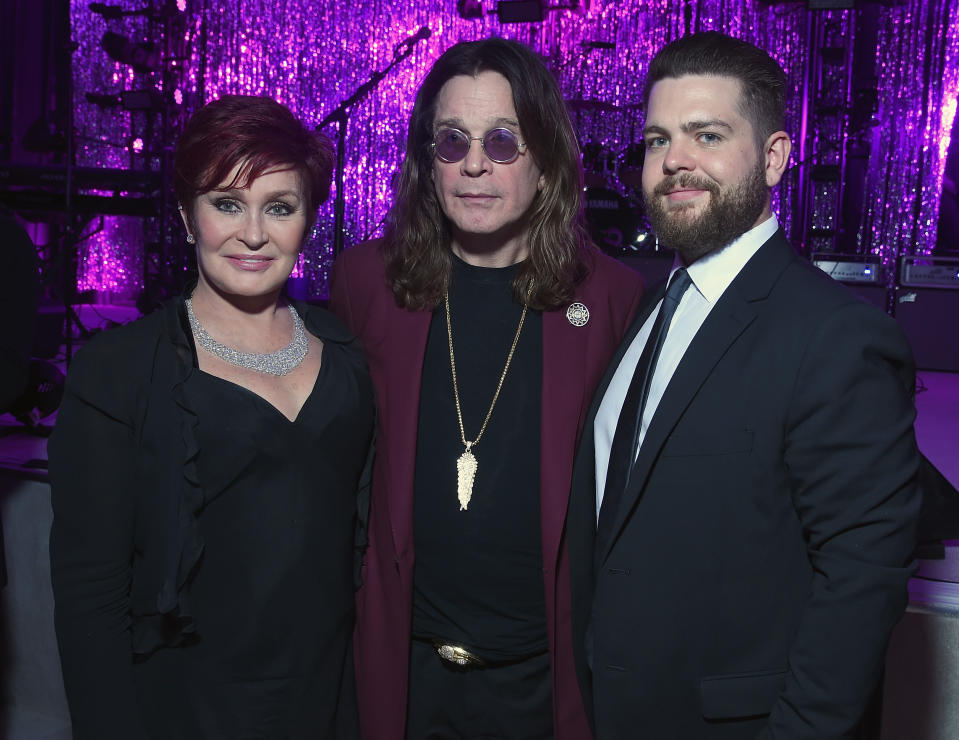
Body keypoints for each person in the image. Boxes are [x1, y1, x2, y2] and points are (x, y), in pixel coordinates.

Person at [567, 31, 921, 739]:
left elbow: (859, 583)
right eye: (657, 138)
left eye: (706, 135)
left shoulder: (832, 337)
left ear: (773, 156)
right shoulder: (647, 307)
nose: (674, 161)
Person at [330, 37, 644, 740]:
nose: (475, 164)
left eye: (503, 142)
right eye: (451, 142)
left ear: (545, 161)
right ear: (425, 161)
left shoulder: (614, 300)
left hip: (543, 679)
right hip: (401, 671)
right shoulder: (363, 285)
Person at [49, 95, 374, 739]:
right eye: (227, 203)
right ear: (187, 214)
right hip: (184, 712)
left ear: (307, 221)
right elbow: (92, 605)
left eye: (279, 207)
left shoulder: (346, 357)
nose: (252, 234)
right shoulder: (119, 373)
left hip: (327, 704)